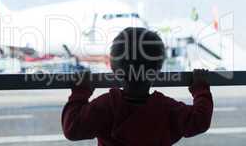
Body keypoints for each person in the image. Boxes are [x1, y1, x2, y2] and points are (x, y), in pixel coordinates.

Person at [61, 27, 213, 146]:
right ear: (157, 70)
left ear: (114, 70)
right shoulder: (166, 109)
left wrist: (80, 92)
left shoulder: (107, 106)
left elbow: (72, 128)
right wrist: (200, 88)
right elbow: (200, 120)